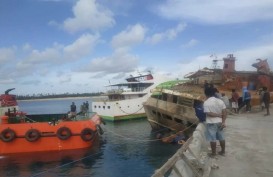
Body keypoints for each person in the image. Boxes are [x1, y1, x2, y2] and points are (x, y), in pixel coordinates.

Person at [204, 87, 227, 157]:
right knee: (221, 137)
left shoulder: (206, 102)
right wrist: (223, 122)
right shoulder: (220, 101)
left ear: (206, 94)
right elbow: (225, 112)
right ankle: (223, 152)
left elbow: (208, 113)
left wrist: (217, 115)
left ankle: (213, 153)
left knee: (212, 138)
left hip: (211, 123)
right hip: (220, 122)